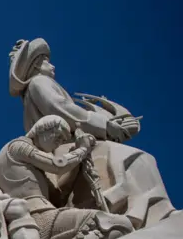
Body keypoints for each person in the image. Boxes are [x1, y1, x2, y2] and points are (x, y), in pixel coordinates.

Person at [9, 37, 174, 227]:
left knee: (137, 160)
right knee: (137, 159)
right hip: (68, 147)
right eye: (46, 61)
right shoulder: (39, 82)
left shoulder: (39, 85)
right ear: (36, 65)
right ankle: (151, 214)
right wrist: (105, 125)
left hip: (76, 144)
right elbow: (63, 109)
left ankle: (149, 212)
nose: (52, 66)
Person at [0, 116, 133, 239]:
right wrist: (83, 149)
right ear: (44, 129)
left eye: (62, 140)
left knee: (118, 225)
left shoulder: (32, 167)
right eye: (58, 137)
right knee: (118, 224)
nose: (59, 143)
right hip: (39, 217)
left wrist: (77, 164)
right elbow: (58, 164)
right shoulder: (18, 147)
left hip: (42, 214)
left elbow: (58, 196)